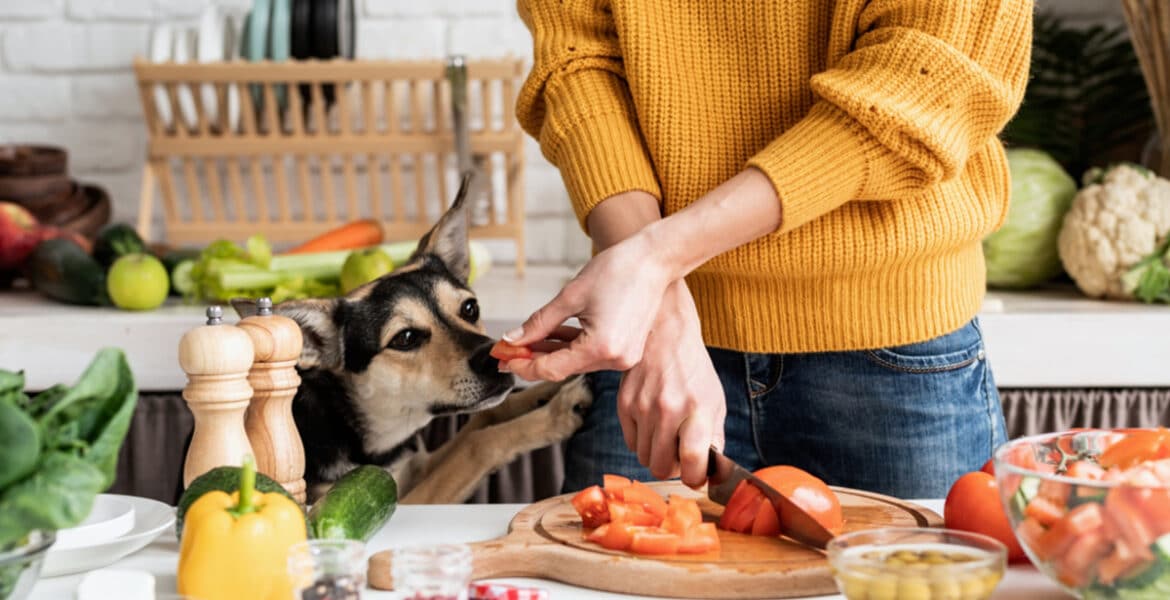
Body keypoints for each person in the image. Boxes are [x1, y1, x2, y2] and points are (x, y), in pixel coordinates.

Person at [503, 0, 1034, 499]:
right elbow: (578, 60)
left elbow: (925, 83)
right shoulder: (652, 306)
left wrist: (654, 263)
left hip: (891, 351)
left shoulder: (650, 271)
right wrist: (658, 306)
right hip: (648, 344)